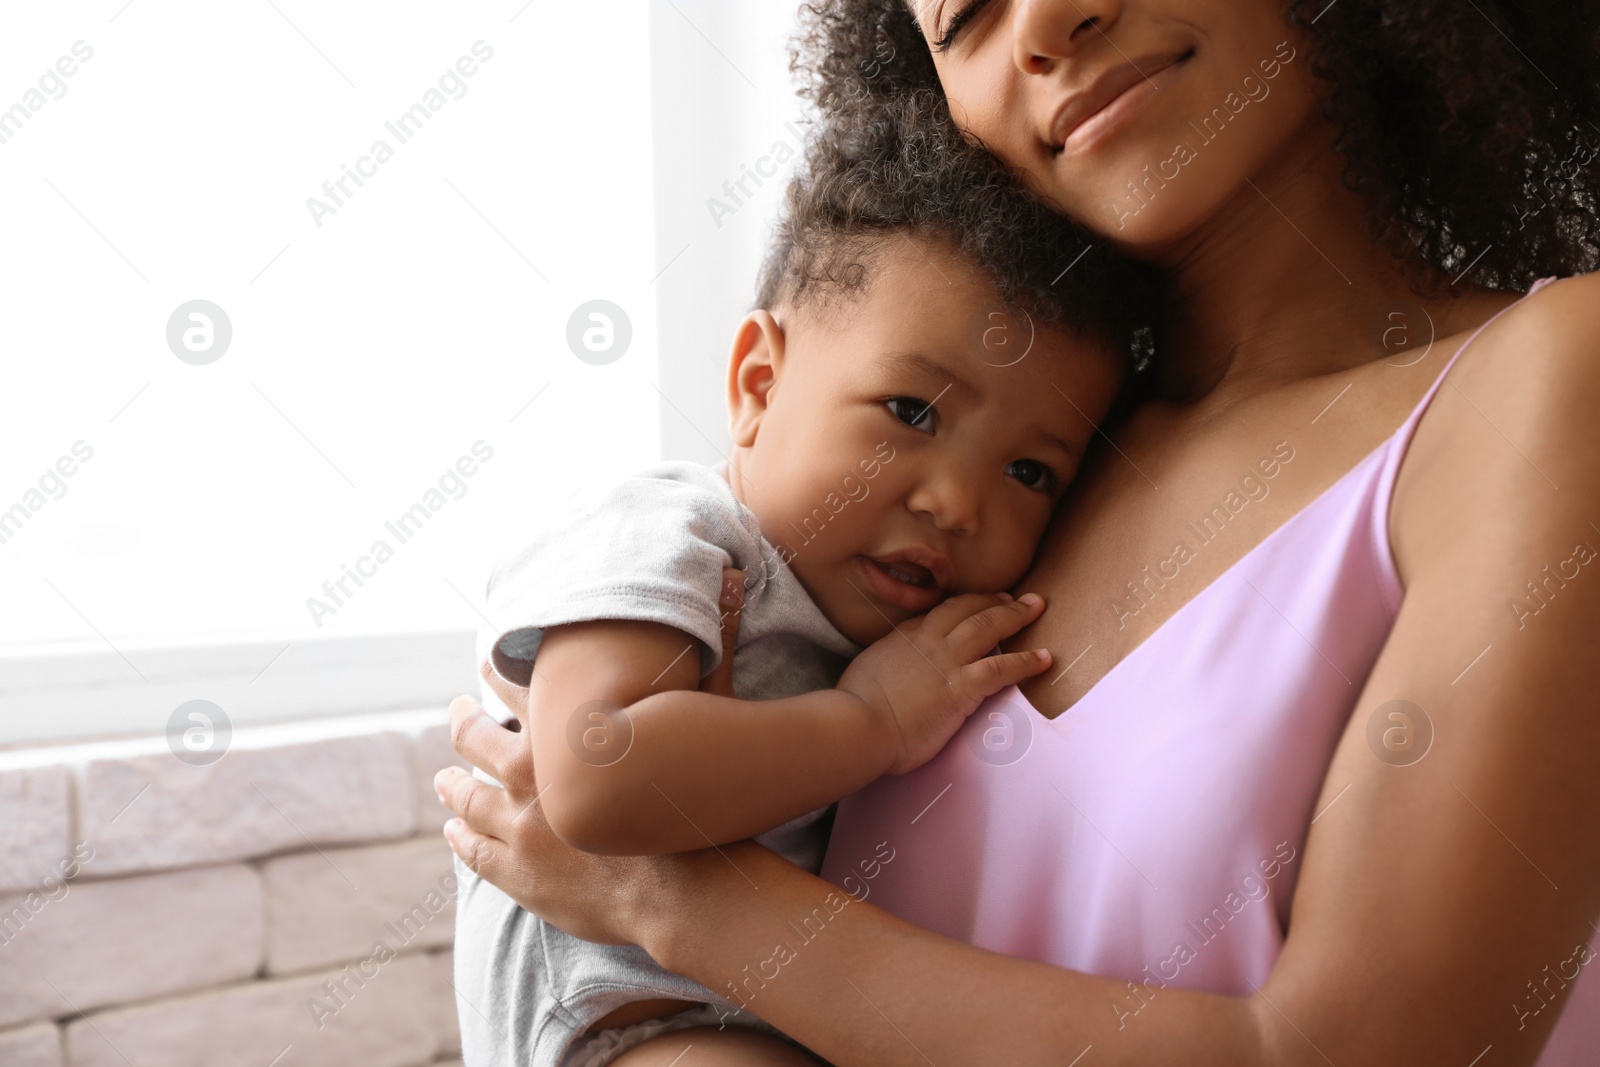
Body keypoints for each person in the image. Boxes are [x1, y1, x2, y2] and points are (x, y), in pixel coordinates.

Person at [436, 1, 1600, 1064]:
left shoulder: (1551, 378)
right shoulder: (1006, 482)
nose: (1045, 22)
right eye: (965, 18)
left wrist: (670, 901)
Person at [450, 93, 1156, 1067]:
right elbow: (593, 771)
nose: (957, 501)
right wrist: (869, 724)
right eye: (910, 409)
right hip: (627, 1023)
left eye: (1029, 471)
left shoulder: (903, 621)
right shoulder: (670, 530)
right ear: (756, 383)